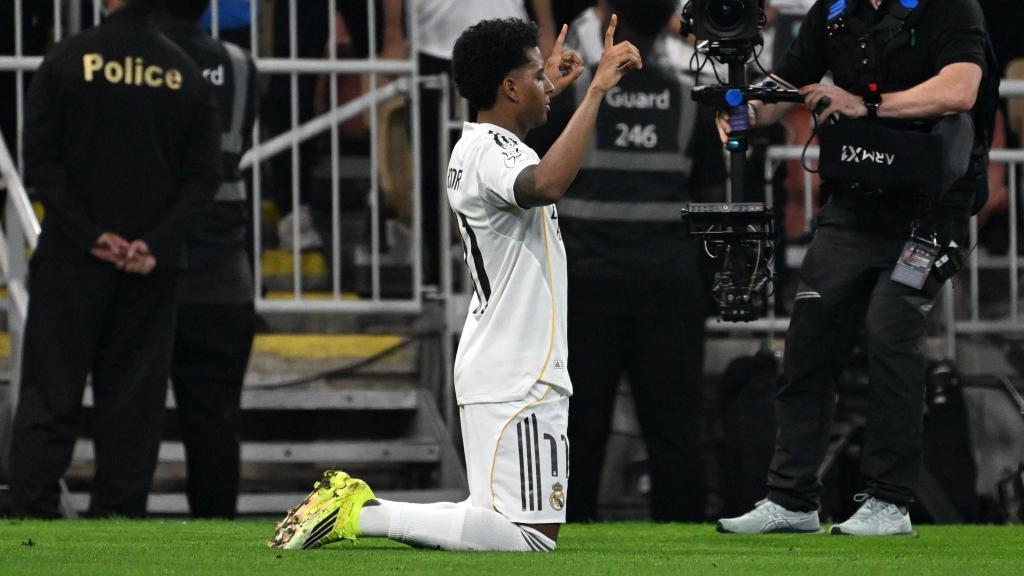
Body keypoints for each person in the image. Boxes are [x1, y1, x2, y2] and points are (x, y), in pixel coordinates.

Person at [266, 15, 641, 551]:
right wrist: (597, 91)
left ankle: (355, 508)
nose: (547, 82)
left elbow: (526, 146)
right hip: (519, 368)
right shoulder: (494, 153)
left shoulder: (479, 146)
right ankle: (360, 512)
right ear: (509, 86)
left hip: (505, 362)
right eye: (535, 74)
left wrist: (549, 88)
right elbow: (548, 183)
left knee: (494, 520)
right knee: (529, 536)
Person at [716, 0, 988, 535]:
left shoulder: (952, 8)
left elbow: (961, 89)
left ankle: (890, 502)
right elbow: (787, 84)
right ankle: (791, 499)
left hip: (928, 213)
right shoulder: (835, 11)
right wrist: (742, 109)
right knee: (808, 339)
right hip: (852, 206)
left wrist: (865, 104)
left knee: (892, 328)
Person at [9, 0, 221, 518]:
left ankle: (29, 523)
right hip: (150, 269)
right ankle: (118, 528)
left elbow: (39, 162)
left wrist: (91, 235)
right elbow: (204, 176)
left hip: (71, 260)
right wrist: (153, 241)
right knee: (132, 411)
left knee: (48, 398)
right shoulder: (185, 74)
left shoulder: (66, 59)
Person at [551, 0, 725, 523]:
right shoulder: (689, 102)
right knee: (675, 434)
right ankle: (684, 548)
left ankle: (565, 537)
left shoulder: (577, 96)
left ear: (609, 18)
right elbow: (712, 204)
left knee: (578, 431)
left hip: (584, 289)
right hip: (668, 290)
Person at [158, 0, 258, 519]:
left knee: (130, 420)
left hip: (151, 268)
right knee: (217, 425)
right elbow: (233, 148)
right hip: (225, 273)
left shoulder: (144, 63)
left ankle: (120, 525)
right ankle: (216, 532)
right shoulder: (240, 64)